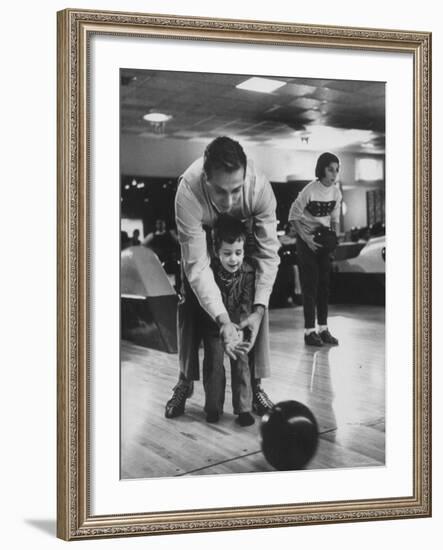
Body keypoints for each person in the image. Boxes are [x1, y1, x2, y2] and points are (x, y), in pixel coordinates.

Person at [164, 136, 280, 419]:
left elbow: (268, 255)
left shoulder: (260, 189)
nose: (228, 202)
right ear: (206, 179)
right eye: (220, 191)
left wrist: (258, 309)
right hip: (204, 245)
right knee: (189, 301)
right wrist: (224, 320)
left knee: (256, 304)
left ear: (245, 177)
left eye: (236, 191)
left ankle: (256, 387)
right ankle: (184, 381)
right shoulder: (188, 192)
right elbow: (197, 268)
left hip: (239, 241)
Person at [200, 215, 256, 426]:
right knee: (214, 363)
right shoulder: (209, 272)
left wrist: (240, 327)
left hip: (238, 326)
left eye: (238, 253)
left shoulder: (248, 272)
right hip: (214, 326)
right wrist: (221, 325)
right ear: (216, 252)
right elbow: (206, 300)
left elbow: (247, 303)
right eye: (227, 253)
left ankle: (243, 409)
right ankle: (213, 408)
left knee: (241, 361)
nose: (233, 259)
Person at [288, 152, 342, 347]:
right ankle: (309, 331)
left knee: (324, 287)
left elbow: (335, 220)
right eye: (330, 169)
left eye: (336, 170)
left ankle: (323, 329)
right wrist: (306, 239)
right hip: (306, 241)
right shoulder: (309, 191)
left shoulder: (336, 193)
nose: (334, 174)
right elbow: (293, 216)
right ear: (321, 169)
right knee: (310, 286)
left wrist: (333, 242)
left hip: (323, 240)